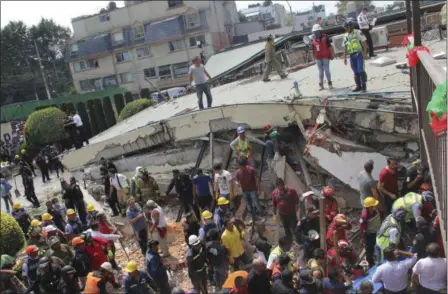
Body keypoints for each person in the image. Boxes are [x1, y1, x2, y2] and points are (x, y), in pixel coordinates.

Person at [342, 18, 369, 92]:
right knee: (355, 71)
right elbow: (345, 47)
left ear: (350, 27)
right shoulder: (345, 36)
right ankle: (358, 86)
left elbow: (364, 43)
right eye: (345, 28)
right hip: (351, 56)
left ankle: (364, 87)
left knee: (361, 70)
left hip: (359, 54)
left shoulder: (357, 32)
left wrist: (365, 53)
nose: (346, 29)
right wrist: (344, 58)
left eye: (346, 27)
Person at [310, 24, 334, 90]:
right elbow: (312, 49)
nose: (316, 33)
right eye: (315, 32)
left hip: (325, 56)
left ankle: (329, 83)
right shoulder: (312, 40)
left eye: (317, 31)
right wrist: (313, 58)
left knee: (326, 70)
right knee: (320, 71)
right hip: (318, 57)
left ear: (320, 31)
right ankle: (321, 84)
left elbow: (330, 46)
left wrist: (332, 54)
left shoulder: (325, 37)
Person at [359, 197, 381, 267]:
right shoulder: (364, 216)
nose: (376, 206)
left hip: (375, 231)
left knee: (376, 244)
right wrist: (363, 238)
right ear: (370, 207)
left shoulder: (375, 211)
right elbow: (362, 227)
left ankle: (376, 257)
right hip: (368, 234)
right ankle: (370, 262)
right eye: (374, 205)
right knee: (369, 248)